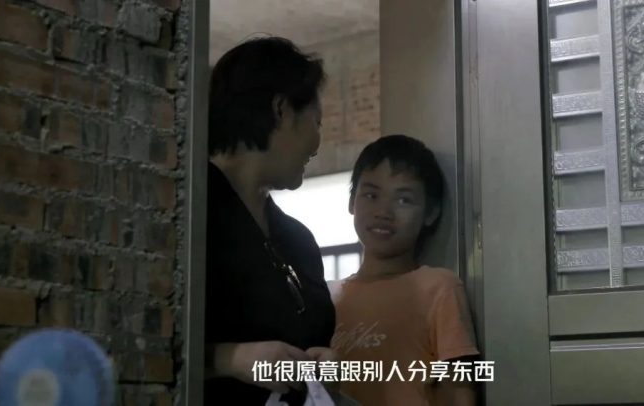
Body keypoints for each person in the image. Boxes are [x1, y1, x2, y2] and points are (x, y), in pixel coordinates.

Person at [204, 36, 336, 405]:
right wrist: (229, 359)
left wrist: (324, 369)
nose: (317, 143)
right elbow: (137, 343)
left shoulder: (298, 240)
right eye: (316, 121)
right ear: (281, 110)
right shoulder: (185, 214)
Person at [330, 135, 479, 405]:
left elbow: (459, 390)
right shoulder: (330, 298)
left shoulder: (439, 289)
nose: (383, 212)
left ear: (431, 213)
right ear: (352, 202)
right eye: (371, 195)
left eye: (403, 200)